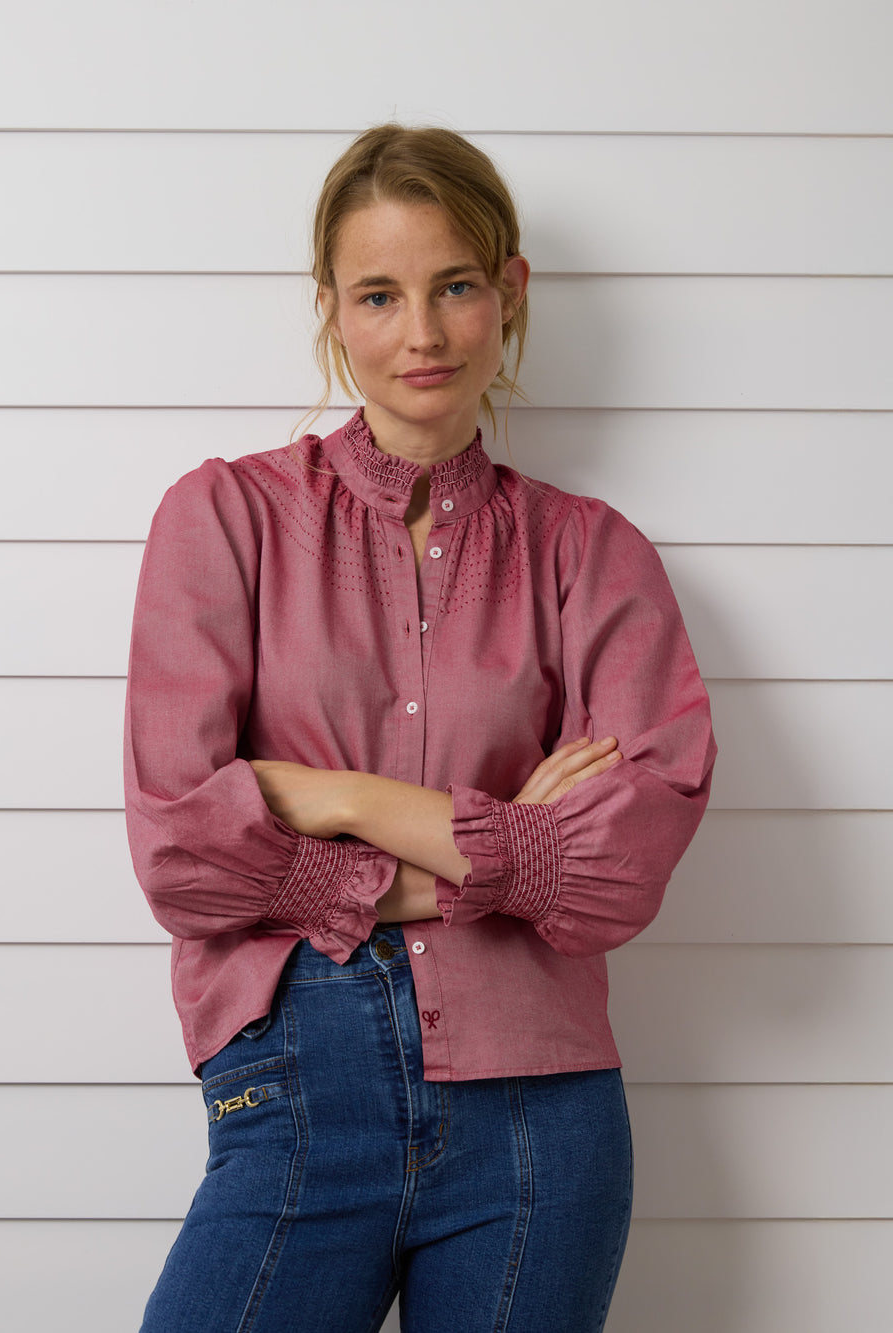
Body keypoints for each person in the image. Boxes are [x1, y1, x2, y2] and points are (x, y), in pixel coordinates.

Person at [124, 124, 716, 1333]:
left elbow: (614, 874)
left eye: (454, 286)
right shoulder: (221, 519)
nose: (424, 334)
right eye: (379, 294)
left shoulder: (593, 555)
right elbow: (186, 854)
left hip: (539, 1124)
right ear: (333, 311)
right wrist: (506, 850)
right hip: (295, 1091)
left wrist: (335, 799)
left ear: (509, 291)